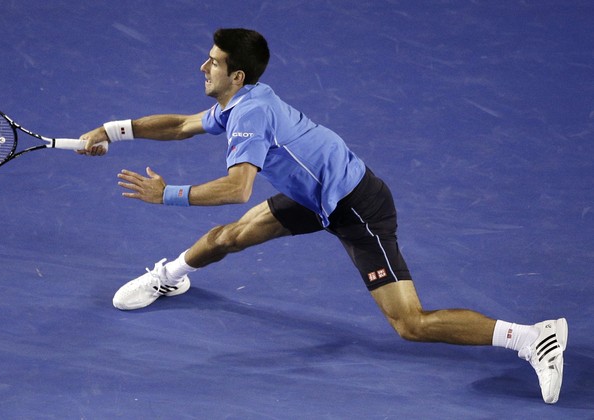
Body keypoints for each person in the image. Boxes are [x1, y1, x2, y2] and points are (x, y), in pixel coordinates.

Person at [78, 28, 567, 404]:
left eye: (214, 62)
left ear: (237, 77)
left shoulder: (249, 114)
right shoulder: (240, 102)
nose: (202, 65)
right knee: (230, 237)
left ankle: (531, 337)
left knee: (410, 324)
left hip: (356, 207)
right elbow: (182, 125)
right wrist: (110, 129)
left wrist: (168, 196)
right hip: (315, 197)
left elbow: (237, 187)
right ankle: (172, 277)